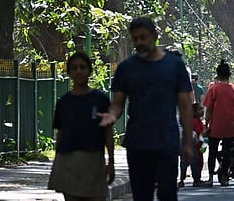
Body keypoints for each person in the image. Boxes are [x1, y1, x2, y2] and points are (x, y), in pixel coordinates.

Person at [98, 17, 194, 201]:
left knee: (167, 194)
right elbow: (118, 103)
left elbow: (185, 105)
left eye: (143, 37)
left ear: (155, 36)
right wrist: (111, 116)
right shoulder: (126, 68)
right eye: (135, 39)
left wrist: (188, 142)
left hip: (167, 141)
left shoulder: (175, 66)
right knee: (141, 196)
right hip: (137, 142)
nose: (139, 42)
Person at [48, 52, 115, 201]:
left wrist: (111, 162)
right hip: (68, 161)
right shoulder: (64, 102)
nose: (79, 71)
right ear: (69, 72)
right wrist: (57, 162)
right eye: (74, 68)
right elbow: (60, 132)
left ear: (89, 71)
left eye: (82, 67)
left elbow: (108, 131)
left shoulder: (100, 99)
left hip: (94, 160)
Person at [203, 60, 234, 187]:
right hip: (230, 126)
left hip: (216, 125)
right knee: (226, 152)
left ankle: (210, 178)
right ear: (229, 74)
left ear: (217, 74)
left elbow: (209, 109)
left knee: (212, 152)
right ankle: (224, 177)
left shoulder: (213, 89)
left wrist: (206, 124)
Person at [180, 103, 207, 187]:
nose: (202, 111)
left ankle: (192, 179)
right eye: (200, 109)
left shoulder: (199, 122)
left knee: (196, 163)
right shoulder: (193, 122)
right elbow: (200, 133)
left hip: (199, 146)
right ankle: (189, 179)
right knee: (193, 163)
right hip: (194, 146)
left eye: (202, 109)